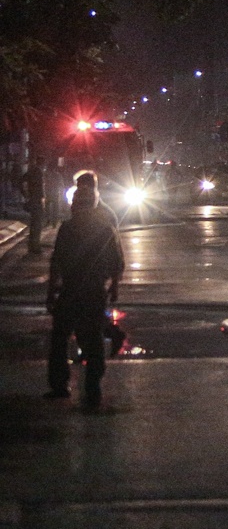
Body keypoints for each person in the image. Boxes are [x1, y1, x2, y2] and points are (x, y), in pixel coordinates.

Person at [45, 172, 125, 408]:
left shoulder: (67, 229)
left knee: (61, 339)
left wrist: (51, 291)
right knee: (93, 339)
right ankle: (92, 388)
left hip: (71, 290)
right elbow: (116, 262)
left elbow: (56, 262)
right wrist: (114, 286)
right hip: (93, 290)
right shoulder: (104, 228)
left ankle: (60, 385)